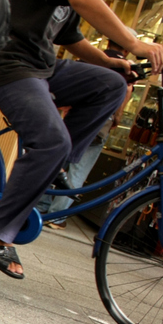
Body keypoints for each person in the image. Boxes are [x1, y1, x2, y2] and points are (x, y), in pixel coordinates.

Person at [0, 0, 163, 278]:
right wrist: (134, 43)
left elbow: (70, 36)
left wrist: (109, 62)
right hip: (7, 64)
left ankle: (57, 163)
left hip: (40, 67)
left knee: (111, 85)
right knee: (51, 142)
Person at [36, 37, 138, 228]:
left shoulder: (95, 58)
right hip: (100, 121)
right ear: (126, 50)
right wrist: (117, 117)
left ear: (109, 43)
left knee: (57, 160)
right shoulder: (124, 69)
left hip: (75, 116)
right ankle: (57, 216)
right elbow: (125, 92)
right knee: (77, 168)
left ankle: (40, 205)